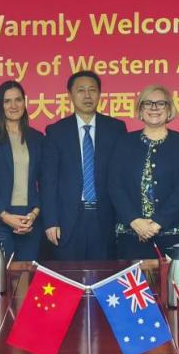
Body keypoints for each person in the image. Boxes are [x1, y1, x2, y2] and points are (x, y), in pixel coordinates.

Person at [42, 71, 127, 260]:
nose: (87, 95)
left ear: (99, 94)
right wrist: (51, 221)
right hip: (68, 219)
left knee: (105, 274)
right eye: (81, 90)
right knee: (68, 274)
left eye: (92, 90)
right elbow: (48, 181)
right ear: (70, 95)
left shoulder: (116, 129)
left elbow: (122, 177)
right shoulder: (56, 131)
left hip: (105, 217)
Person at [110, 84, 179, 259]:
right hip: (133, 235)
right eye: (148, 103)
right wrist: (134, 220)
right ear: (140, 110)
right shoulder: (123, 143)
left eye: (161, 103)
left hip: (177, 235)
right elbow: (115, 186)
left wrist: (158, 223)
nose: (154, 108)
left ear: (169, 110)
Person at [0, 81, 46, 260]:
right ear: (0, 105)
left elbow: (45, 181)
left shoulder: (37, 138)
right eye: (7, 101)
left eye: (18, 100)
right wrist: (5, 216)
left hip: (29, 220)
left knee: (26, 274)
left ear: (24, 102)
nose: (13, 106)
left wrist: (34, 213)